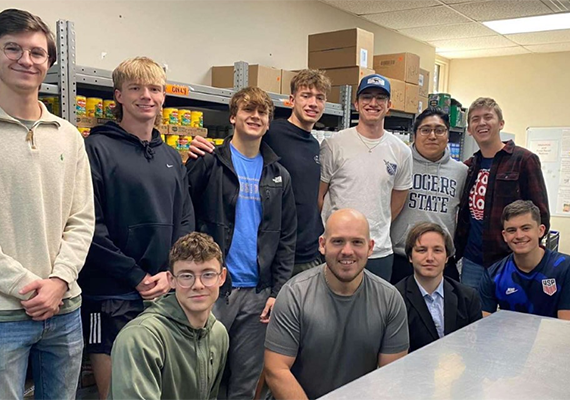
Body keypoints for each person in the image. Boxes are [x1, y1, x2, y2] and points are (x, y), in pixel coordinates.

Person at [0, 9, 95, 400]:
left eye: (37, 53)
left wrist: (59, 283)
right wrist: (29, 288)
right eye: (13, 48)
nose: (26, 60)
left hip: (65, 308)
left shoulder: (69, 136)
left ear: (49, 63)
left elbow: (81, 220)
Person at [78, 56, 196, 399]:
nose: (147, 96)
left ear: (163, 97)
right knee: (117, 393)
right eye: (136, 88)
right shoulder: (95, 149)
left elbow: (184, 222)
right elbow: (89, 227)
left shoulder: (172, 156)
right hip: (111, 295)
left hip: (164, 291)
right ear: (119, 95)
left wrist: (170, 274)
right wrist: (136, 277)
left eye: (155, 89)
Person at [186, 87, 296, 400]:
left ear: (268, 123)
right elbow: (183, 214)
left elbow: (287, 236)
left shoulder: (279, 175)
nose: (255, 117)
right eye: (248, 110)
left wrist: (278, 291)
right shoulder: (208, 162)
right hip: (213, 289)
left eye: (262, 113)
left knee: (245, 386)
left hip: (258, 296)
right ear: (233, 117)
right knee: (201, 380)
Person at [189, 69, 332, 276]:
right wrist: (202, 146)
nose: (313, 103)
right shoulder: (271, 132)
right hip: (271, 255)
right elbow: (240, 145)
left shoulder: (315, 144)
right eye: (306, 96)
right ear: (292, 100)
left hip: (308, 252)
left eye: (319, 98)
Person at [264, 209, 409, 400]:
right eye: (338, 241)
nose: (347, 251)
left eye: (357, 242)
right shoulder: (294, 295)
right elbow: (276, 370)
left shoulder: (390, 300)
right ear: (322, 245)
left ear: (370, 247)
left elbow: (391, 377)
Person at [109, 232, 229, 400]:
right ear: (171, 280)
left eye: (208, 274)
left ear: (222, 277)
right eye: (186, 276)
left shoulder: (218, 333)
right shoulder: (140, 338)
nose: (198, 285)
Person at [318, 74, 413, 281]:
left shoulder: (401, 151)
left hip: (378, 251)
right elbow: (320, 196)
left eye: (380, 98)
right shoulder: (334, 144)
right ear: (356, 104)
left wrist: (375, 222)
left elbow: (396, 202)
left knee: (374, 312)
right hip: (337, 249)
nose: (373, 103)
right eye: (367, 97)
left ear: (389, 105)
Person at [454, 97, 550, 290]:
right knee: (474, 317)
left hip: (510, 259)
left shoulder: (524, 160)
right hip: (473, 261)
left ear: (501, 124)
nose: (481, 123)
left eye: (488, 117)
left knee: (513, 317)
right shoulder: (468, 167)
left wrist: (526, 256)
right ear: (470, 130)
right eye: (475, 119)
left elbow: (541, 215)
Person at [390, 109, 468, 283]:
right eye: (425, 130)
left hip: (441, 261)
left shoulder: (461, 172)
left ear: (448, 136)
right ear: (415, 134)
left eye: (439, 130)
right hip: (401, 258)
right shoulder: (399, 164)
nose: (432, 136)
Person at [479, 200, 570, 321]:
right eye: (511, 230)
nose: (519, 235)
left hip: (553, 338)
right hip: (509, 339)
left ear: (541, 230)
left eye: (525, 228)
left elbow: (568, 328)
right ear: (504, 236)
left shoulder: (567, 268)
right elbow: (484, 327)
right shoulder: (494, 275)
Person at [395, 222, 481, 352]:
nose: (430, 258)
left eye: (437, 250)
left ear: (447, 257)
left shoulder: (468, 297)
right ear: (410, 256)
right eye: (422, 250)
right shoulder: (395, 299)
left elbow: (476, 348)